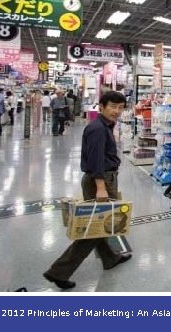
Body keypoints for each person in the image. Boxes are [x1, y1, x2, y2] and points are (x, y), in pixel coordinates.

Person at [43, 91, 131, 290]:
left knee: (100, 221)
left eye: (120, 107)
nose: (116, 111)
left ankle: (109, 258)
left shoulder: (104, 125)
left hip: (103, 178)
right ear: (101, 106)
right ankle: (59, 271)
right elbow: (95, 160)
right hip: (100, 180)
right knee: (95, 227)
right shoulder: (98, 129)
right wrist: (101, 187)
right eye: (112, 106)